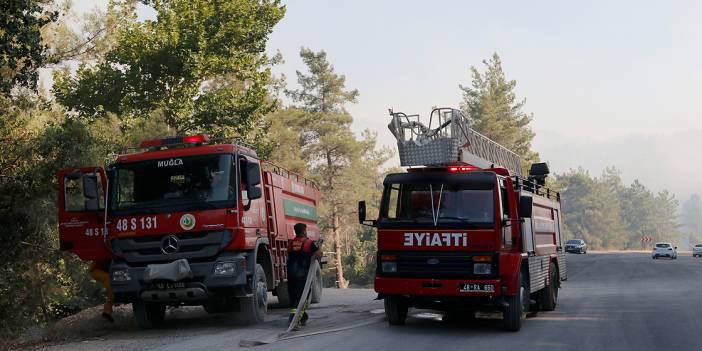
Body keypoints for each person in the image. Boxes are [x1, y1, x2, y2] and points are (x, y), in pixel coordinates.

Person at [286, 223, 322, 326]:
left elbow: (288, 255)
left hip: (291, 275)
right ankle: (295, 320)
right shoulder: (309, 243)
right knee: (303, 298)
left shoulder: (291, 243)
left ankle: (301, 317)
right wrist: (318, 247)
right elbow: (319, 254)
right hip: (303, 276)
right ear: (304, 231)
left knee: (294, 297)